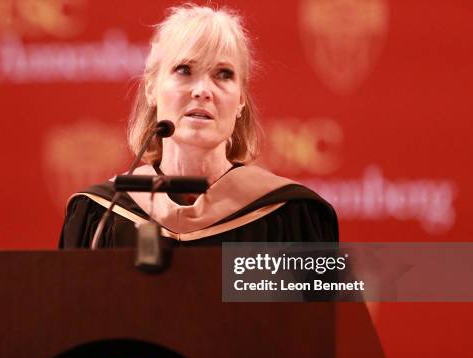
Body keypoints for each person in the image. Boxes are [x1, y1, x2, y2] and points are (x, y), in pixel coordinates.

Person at [59, 4, 338, 249]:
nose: (203, 90)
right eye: (184, 70)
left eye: (223, 74)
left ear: (241, 100)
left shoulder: (288, 215)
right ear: (151, 88)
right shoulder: (101, 215)